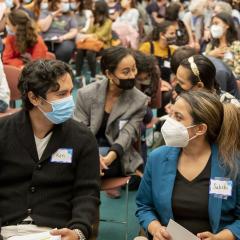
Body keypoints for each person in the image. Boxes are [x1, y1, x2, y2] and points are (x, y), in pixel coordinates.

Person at [0, 59, 100, 240]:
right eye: (61, 94)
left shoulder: (82, 138)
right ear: (34, 98)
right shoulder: (3, 132)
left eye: (71, 92)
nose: (70, 100)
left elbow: (87, 193)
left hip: (56, 232)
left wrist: (78, 231)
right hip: (6, 228)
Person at [136, 90, 240, 239]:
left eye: (178, 117)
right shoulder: (157, 158)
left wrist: (220, 237)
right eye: (171, 114)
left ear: (200, 129)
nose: (169, 122)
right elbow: (144, 206)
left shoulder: (232, 165)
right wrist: (156, 229)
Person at [74, 46, 148, 197]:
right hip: (87, 150)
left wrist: (109, 157)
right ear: (108, 74)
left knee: (84, 170)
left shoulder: (139, 100)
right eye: (125, 72)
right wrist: (92, 155)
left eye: (134, 69)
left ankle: (86, 211)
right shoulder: (85, 94)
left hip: (117, 153)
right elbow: (79, 131)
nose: (132, 75)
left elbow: (127, 135)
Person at [170, 46, 239, 98]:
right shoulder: (198, 69)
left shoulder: (218, 73)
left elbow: (214, 98)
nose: (177, 83)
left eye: (181, 81)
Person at [75, 0, 112, 82]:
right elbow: (89, 32)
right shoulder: (94, 20)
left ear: (100, 8)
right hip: (92, 45)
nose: (93, 7)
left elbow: (100, 35)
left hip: (103, 46)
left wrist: (87, 36)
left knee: (89, 52)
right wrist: (89, 28)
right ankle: (78, 74)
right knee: (80, 50)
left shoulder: (108, 21)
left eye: (95, 6)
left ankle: (93, 75)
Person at [205, 12, 240, 80]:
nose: (213, 27)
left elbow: (238, 73)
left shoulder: (236, 45)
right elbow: (203, 67)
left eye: (216, 23)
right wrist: (210, 56)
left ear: (227, 25)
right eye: (212, 24)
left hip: (229, 82)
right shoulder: (210, 45)